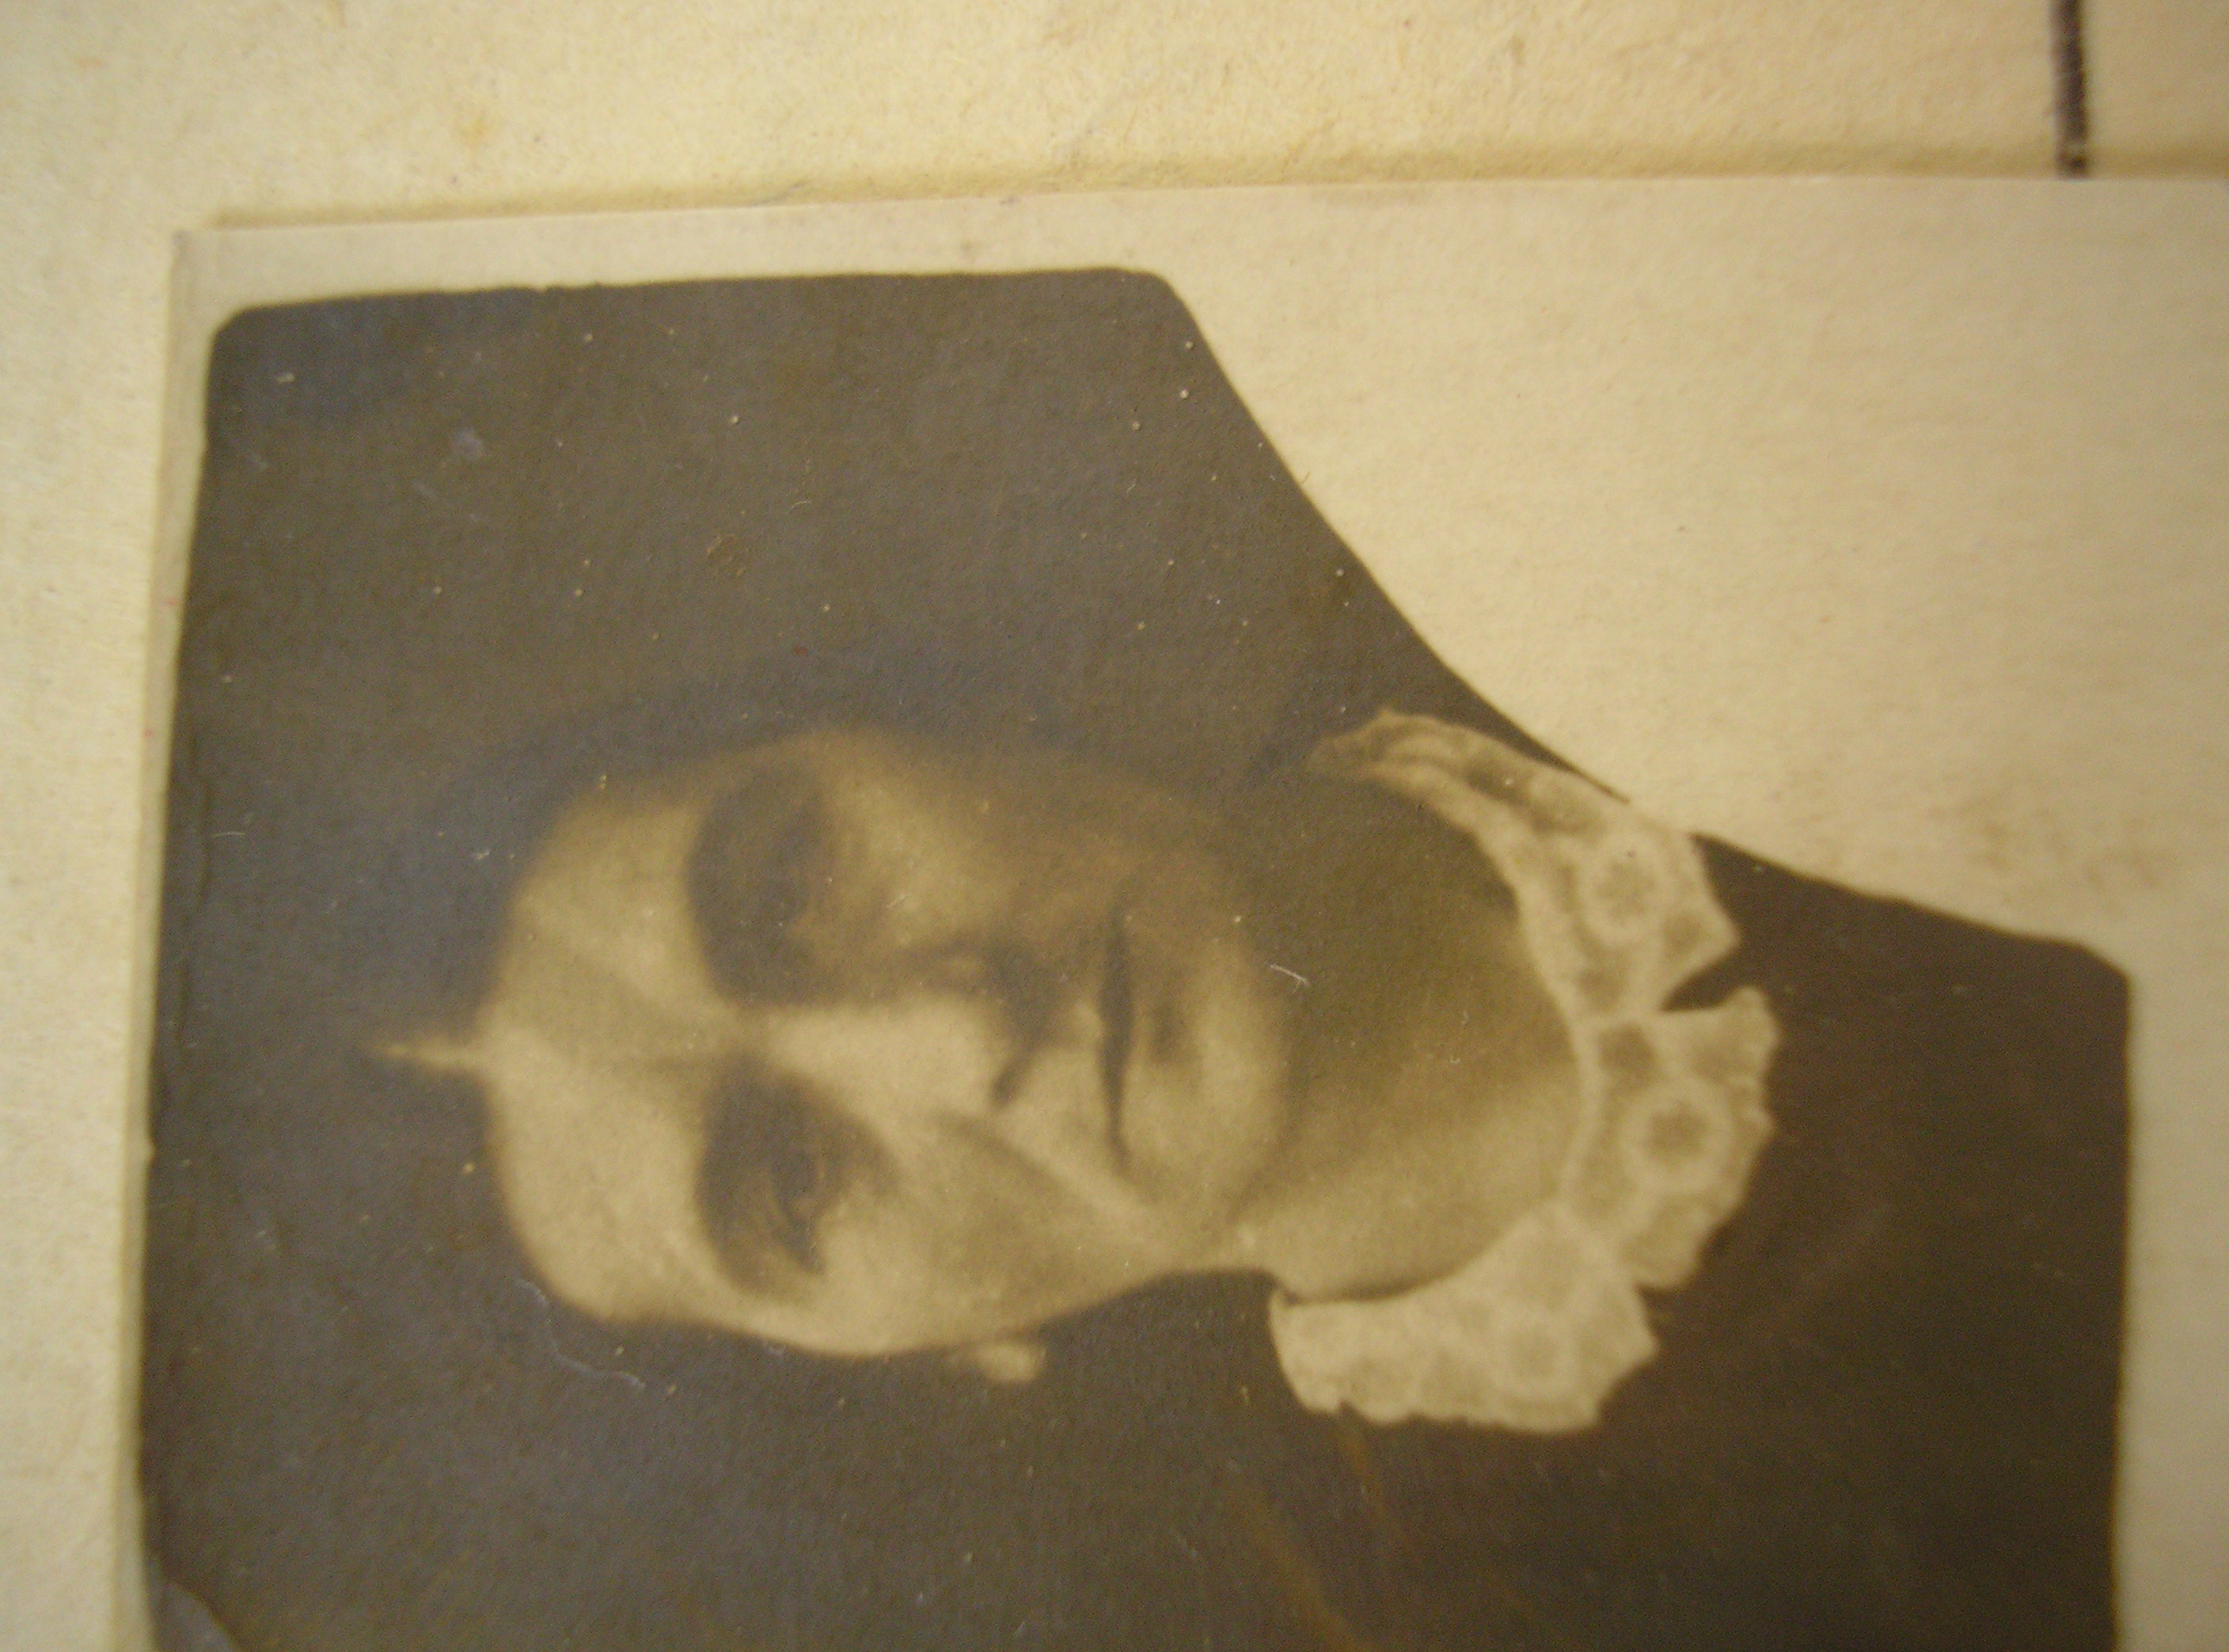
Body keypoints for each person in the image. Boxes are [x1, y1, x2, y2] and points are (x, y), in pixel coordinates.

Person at [400, 684, 2125, 1650]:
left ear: (919, 718)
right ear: (946, 1363)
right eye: (791, 1181)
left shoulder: (1526, 521)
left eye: (785, 884)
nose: (951, 1030)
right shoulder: (1577, 1605)